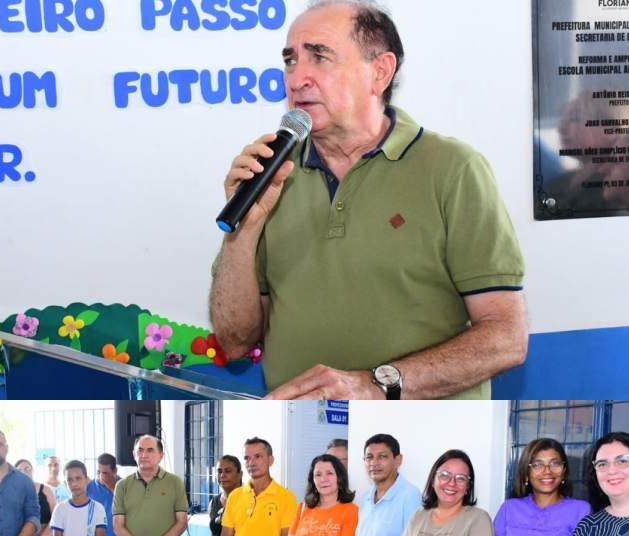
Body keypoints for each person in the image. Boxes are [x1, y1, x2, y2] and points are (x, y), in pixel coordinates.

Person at [209, 0, 527, 400]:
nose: (297, 78)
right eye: (291, 60)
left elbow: (506, 338)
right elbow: (235, 341)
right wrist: (246, 228)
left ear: (380, 71)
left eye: (319, 57)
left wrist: (377, 385)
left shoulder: (453, 168)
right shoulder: (271, 172)